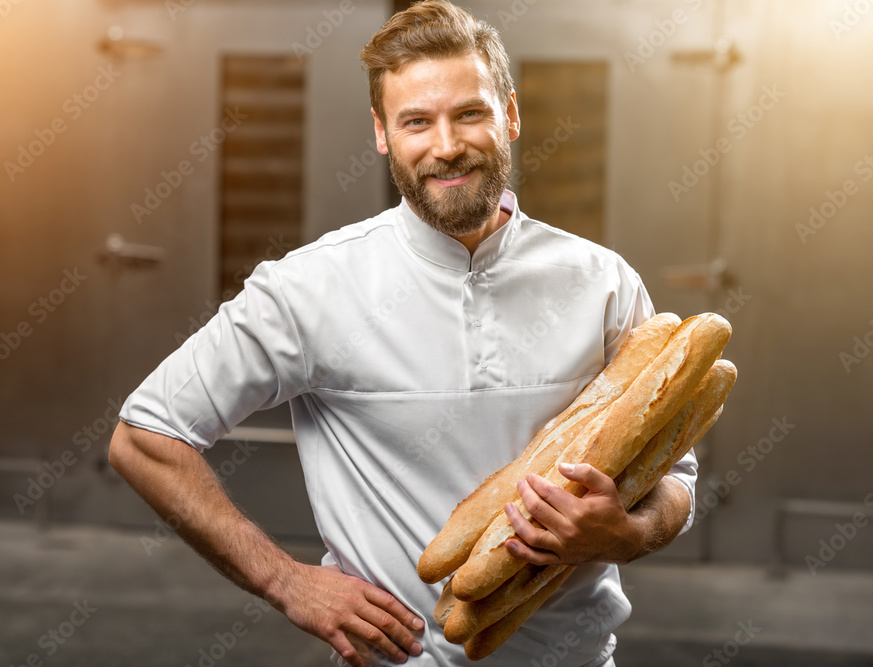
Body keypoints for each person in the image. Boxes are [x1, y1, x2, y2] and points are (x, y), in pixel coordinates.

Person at [108, 2, 697, 666]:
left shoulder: (605, 284)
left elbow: (674, 468)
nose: (446, 145)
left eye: (469, 113)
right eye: (417, 121)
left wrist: (628, 530)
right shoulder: (312, 287)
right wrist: (286, 579)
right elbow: (144, 435)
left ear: (510, 114)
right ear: (382, 133)